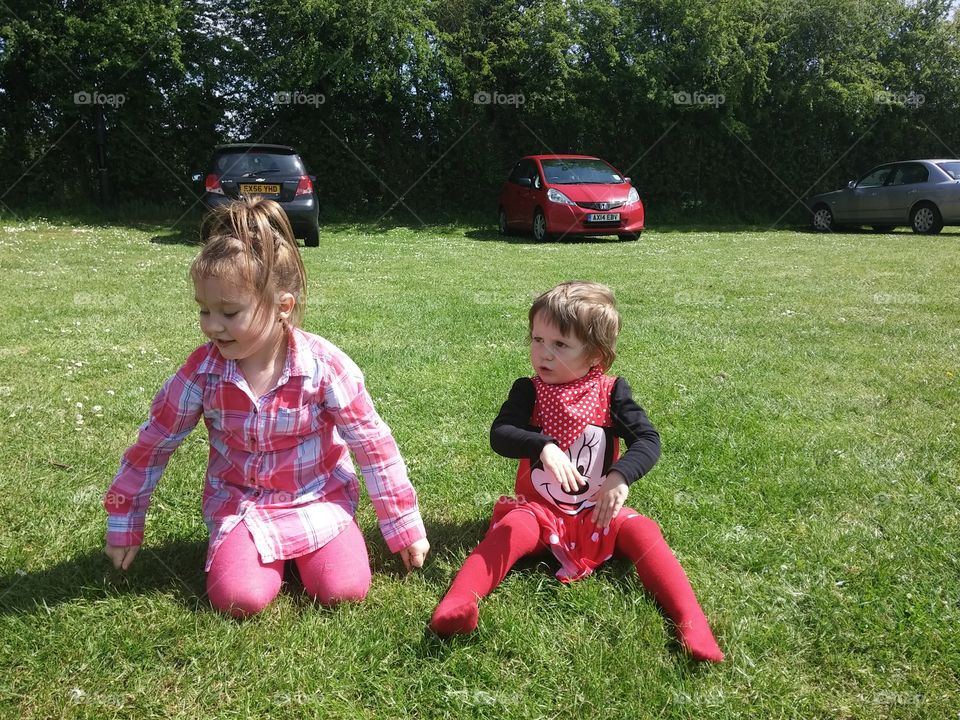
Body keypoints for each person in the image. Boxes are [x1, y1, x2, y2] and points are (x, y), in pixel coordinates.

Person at [104, 197, 429, 617]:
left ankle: (313, 554)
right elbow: (153, 446)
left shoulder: (324, 366)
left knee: (343, 590)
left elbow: (373, 445)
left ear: (283, 306)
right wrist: (125, 523)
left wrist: (404, 527)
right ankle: (260, 557)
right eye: (204, 310)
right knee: (238, 597)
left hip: (318, 499)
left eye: (229, 312)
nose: (212, 325)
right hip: (243, 506)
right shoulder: (202, 373)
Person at [430, 281, 723, 662]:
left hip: (597, 511)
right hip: (538, 512)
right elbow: (500, 435)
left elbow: (648, 440)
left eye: (560, 345)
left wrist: (619, 477)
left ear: (595, 356)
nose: (543, 354)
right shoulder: (528, 391)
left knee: (643, 531)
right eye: (537, 339)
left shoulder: (611, 392)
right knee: (510, 529)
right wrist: (542, 445)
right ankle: (457, 605)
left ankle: (691, 623)